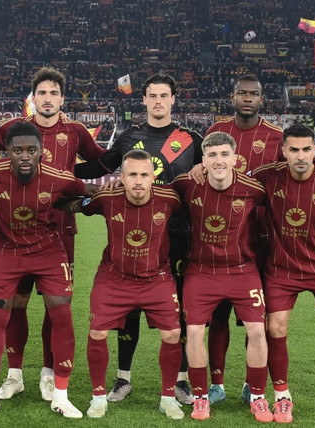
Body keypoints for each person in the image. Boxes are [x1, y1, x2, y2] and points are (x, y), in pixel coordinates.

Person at [0, 67, 105, 401]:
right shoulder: (15, 129)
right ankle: (14, 375)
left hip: (60, 230)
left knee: (57, 304)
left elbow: (101, 163)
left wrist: (69, 177)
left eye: (54, 93)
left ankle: (48, 373)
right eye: (42, 92)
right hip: (14, 233)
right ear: (33, 98)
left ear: (62, 99)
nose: (48, 98)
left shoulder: (75, 131)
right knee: (16, 303)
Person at [75, 73, 203, 404]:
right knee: (128, 308)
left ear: (173, 100)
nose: (158, 101)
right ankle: (123, 378)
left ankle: (181, 381)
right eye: (152, 96)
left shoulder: (190, 139)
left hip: (180, 235)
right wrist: (57, 166)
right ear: (143, 100)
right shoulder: (130, 136)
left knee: (181, 311)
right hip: (135, 236)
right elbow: (99, 166)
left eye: (164, 95)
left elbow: (215, 170)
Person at [72, 149, 184, 419]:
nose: (138, 181)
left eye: (144, 175)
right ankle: (98, 397)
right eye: (132, 174)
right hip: (114, 278)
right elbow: (76, 205)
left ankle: (168, 398)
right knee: (97, 333)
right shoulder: (106, 198)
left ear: (153, 177)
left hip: (156, 278)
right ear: (120, 177)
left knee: (172, 334)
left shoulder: (170, 199)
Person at [192, 74, 284, 404]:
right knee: (218, 315)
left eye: (253, 94)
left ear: (262, 99)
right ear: (232, 97)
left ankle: (250, 384)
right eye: (241, 93)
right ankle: (217, 385)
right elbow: (202, 168)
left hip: (261, 239)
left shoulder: (276, 136)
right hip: (220, 239)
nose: (247, 98)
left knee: (255, 319)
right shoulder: (217, 130)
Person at [173, 131, 272, 422]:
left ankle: (257, 397)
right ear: (203, 160)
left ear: (235, 159)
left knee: (257, 331)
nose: (219, 161)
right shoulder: (186, 184)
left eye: (224, 154)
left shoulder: (253, 189)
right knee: (193, 333)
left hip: (243, 271)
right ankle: (201, 398)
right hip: (201, 271)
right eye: (212, 155)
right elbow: (155, 195)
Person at [252, 124, 315, 425]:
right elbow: (233, 185)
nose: (301, 156)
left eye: (307, 149)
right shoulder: (267, 176)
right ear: (284, 151)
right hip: (280, 268)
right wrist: (203, 168)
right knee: (275, 328)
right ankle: (282, 397)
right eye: (294, 150)